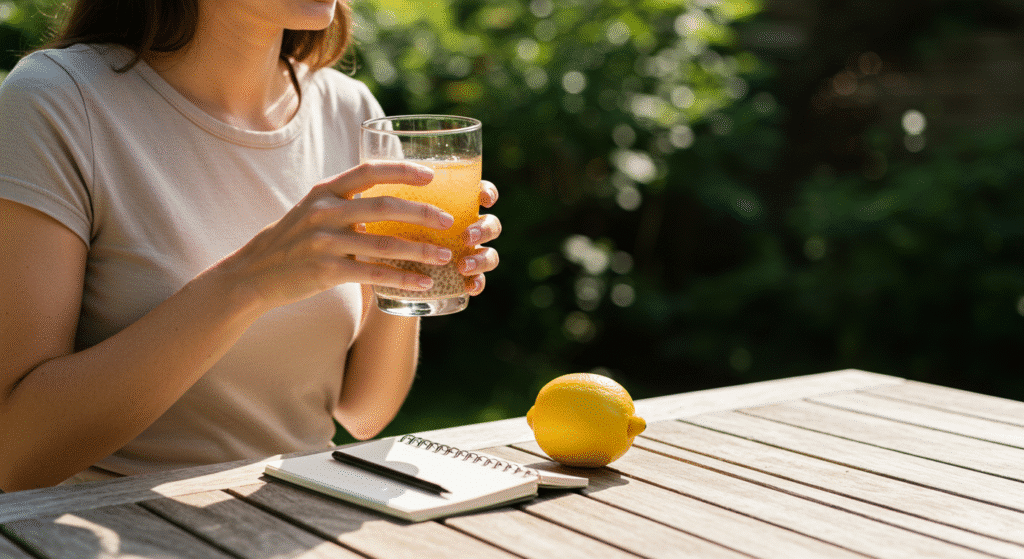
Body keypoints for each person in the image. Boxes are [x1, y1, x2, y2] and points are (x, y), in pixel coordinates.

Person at [0, 0, 500, 492]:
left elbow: (365, 413)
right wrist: (251, 283)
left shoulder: (350, 112)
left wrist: (413, 274)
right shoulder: (56, 102)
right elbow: (14, 457)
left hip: (306, 515)